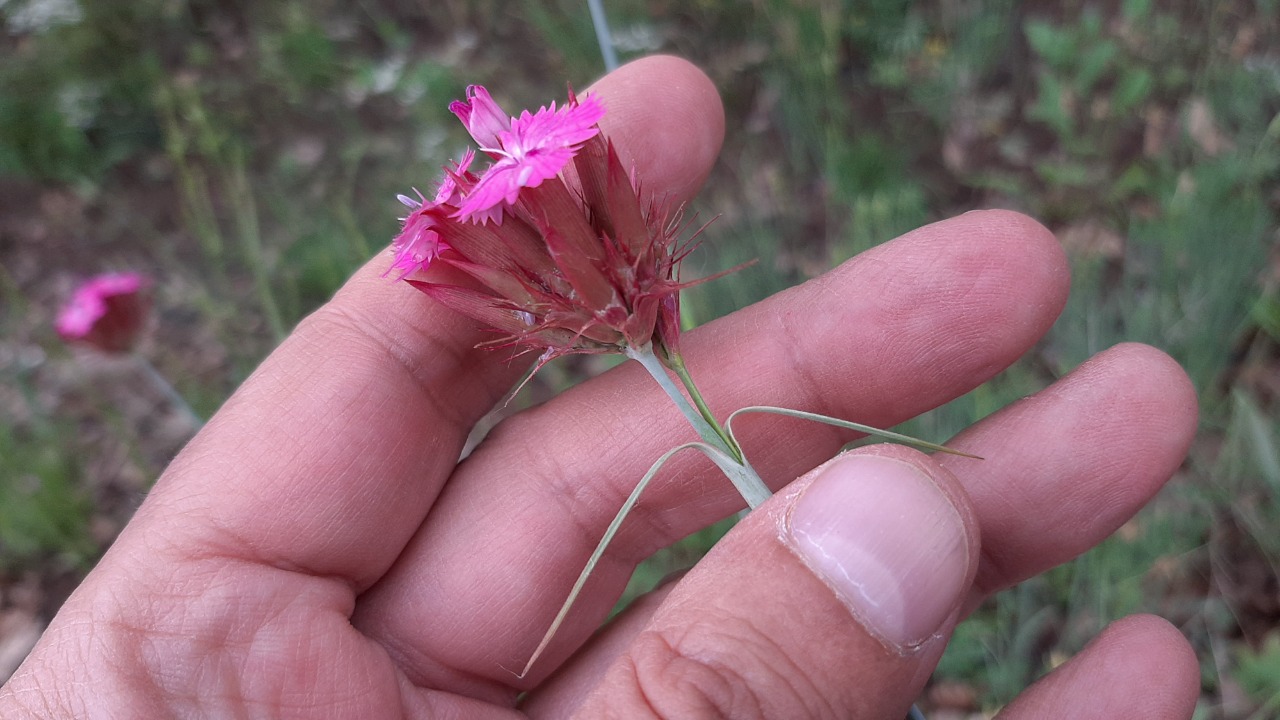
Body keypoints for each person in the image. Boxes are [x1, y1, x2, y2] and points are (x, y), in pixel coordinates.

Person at [0, 56, 1199, 719]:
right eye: (496, 154)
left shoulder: (564, 171)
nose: (499, 152)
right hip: (585, 294)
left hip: (600, 288)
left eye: (507, 147)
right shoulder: (494, 234)